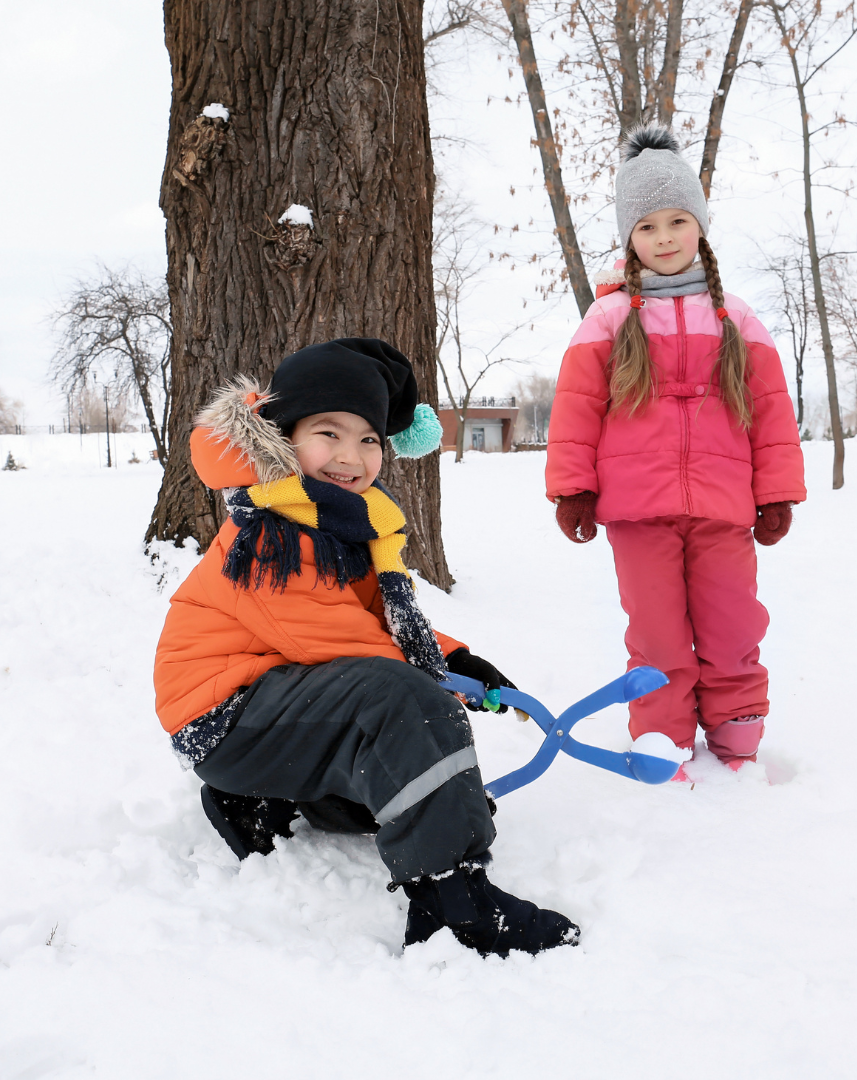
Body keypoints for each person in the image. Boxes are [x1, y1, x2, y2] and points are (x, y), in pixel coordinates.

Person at [154, 338, 579, 957]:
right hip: (225, 717)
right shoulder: (267, 533)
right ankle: (452, 903)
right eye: (329, 432)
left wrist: (452, 656)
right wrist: (433, 680)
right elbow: (332, 640)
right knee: (402, 701)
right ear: (282, 438)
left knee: (405, 716)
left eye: (369, 439)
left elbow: (374, 620)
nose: (350, 457)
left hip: (278, 707)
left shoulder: (342, 523)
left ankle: (262, 801)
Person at [545, 125, 806, 776]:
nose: (663, 238)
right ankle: (662, 738)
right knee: (657, 633)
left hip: (723, 507)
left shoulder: (737, 319)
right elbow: (575, 410)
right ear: (629, 238)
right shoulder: (607, 320)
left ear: (700, 227)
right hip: (638, 510)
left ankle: (738, 731)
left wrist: (774, 492)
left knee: (733, 625)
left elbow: (772, 412)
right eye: (647, 227)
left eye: (677, 221)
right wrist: (574, 486)